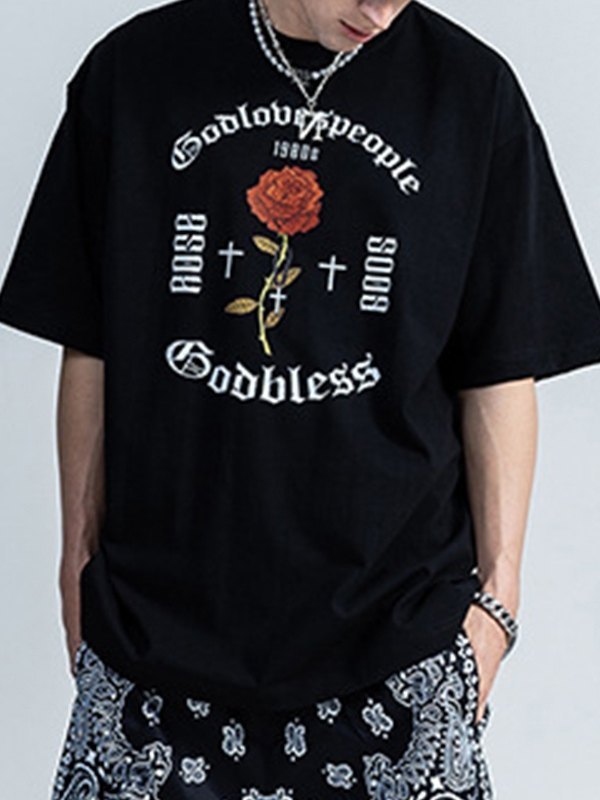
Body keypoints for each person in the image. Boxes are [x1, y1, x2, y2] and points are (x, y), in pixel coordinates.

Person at [1, 0, 600, 797]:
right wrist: (77, 563)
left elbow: (500, 362)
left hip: (399, 647)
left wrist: (498, 605)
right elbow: (90, 340)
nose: (380, 11)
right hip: (155, 638)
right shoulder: (135, 73)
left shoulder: (470, 92)